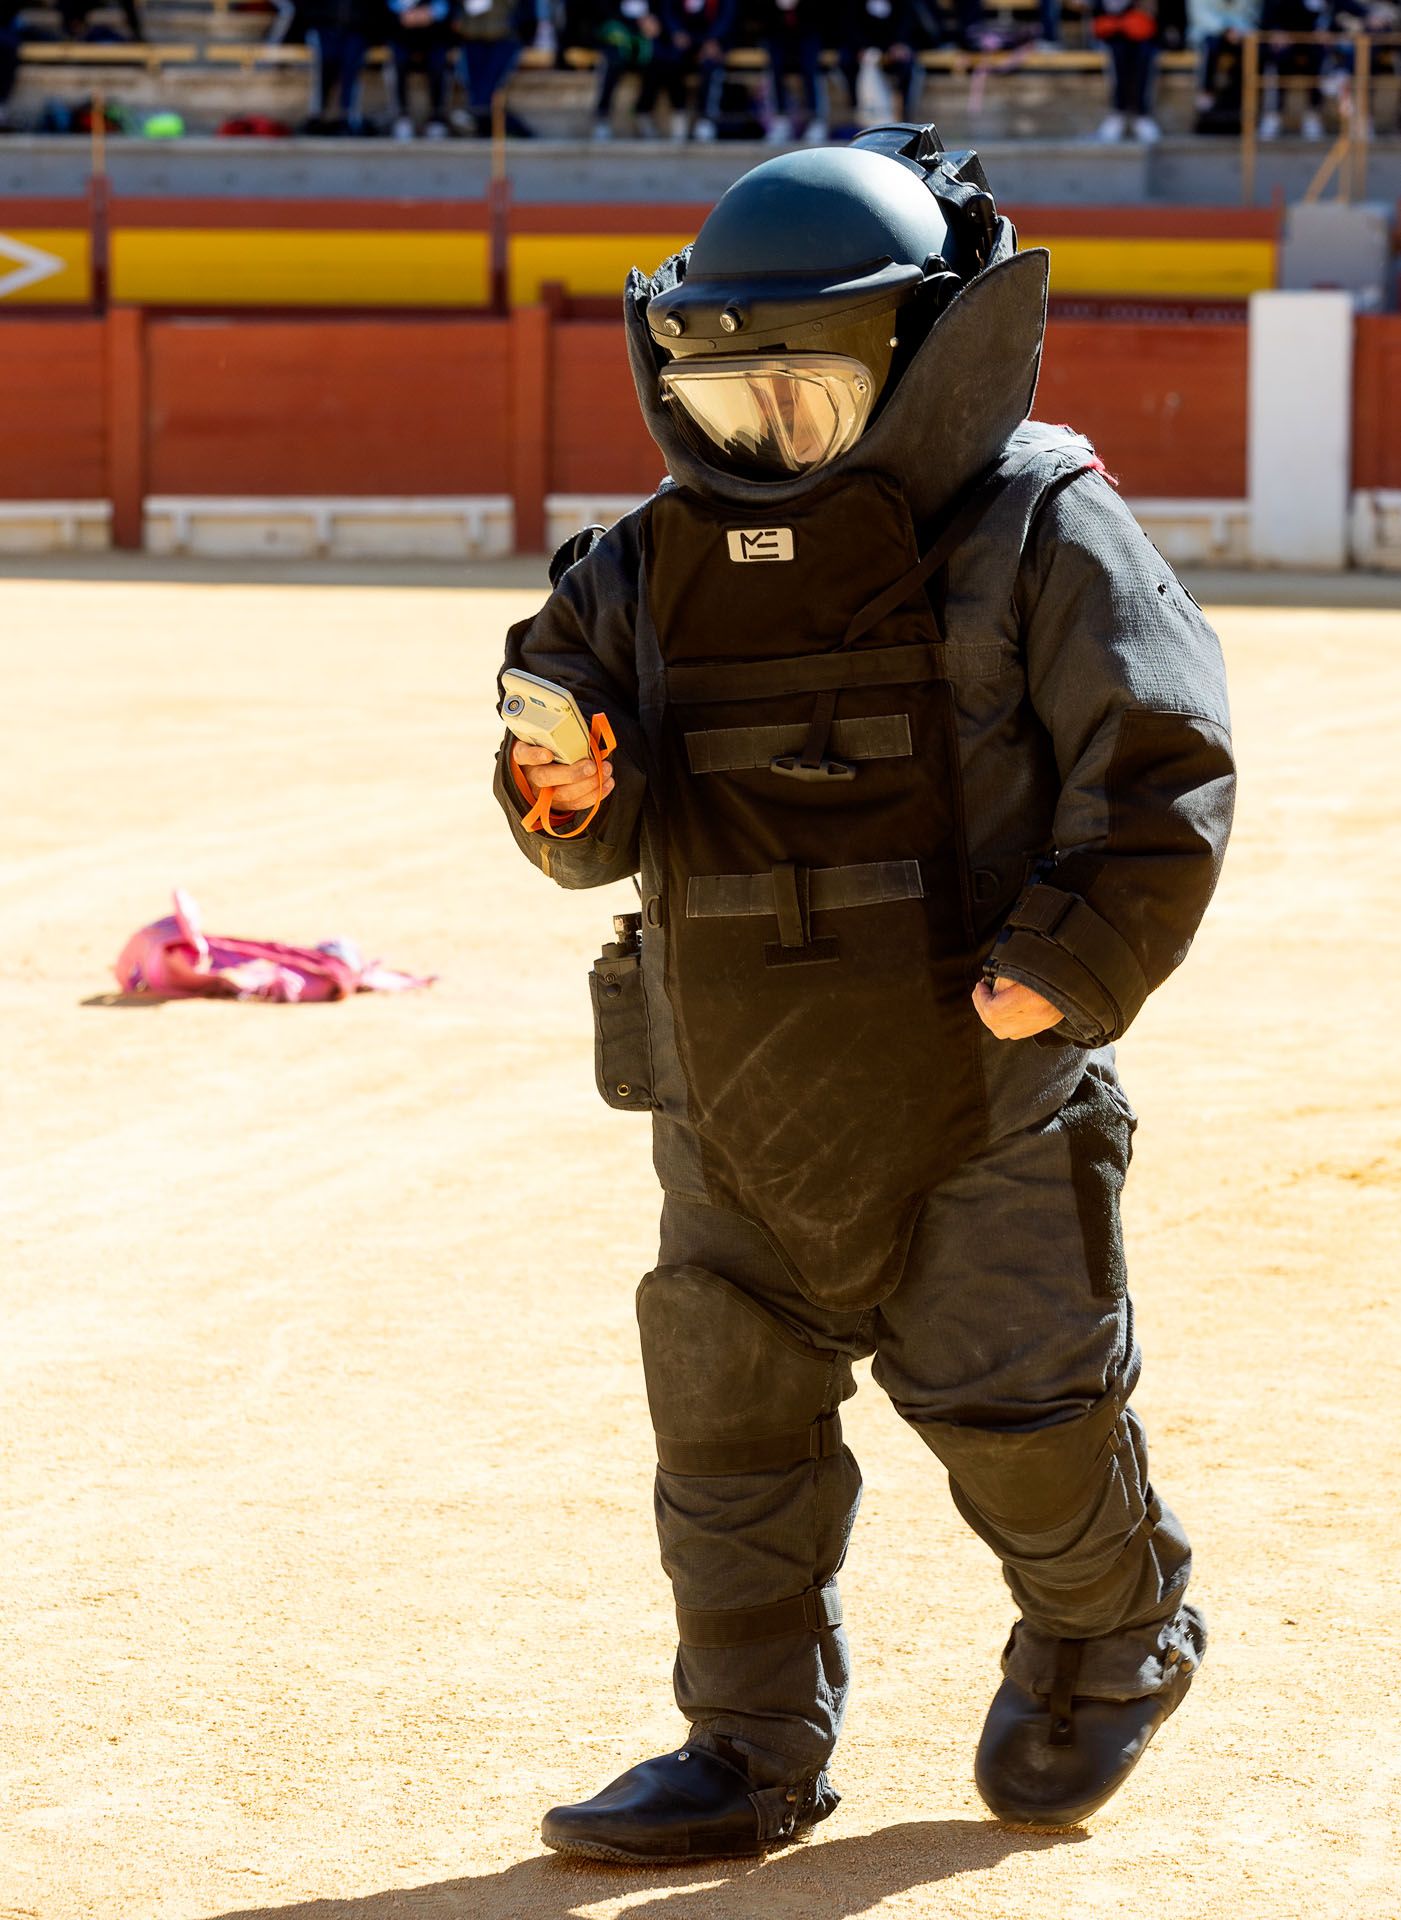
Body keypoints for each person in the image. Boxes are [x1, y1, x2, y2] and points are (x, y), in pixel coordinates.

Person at [495, 125, 1235, 1863]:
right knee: (727, 1430)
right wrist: (559, 788)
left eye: (805, 403)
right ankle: (745, 1747)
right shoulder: (640, 566)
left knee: (1023, 1417)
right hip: (728, 1091)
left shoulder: (1043, 527)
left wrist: (1061, 974)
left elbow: (1160, 776)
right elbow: (571, 809)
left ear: (921, 367)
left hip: (978, 1087)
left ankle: (1113, 1630)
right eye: (730, 403)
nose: (761, 443)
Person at [1092, 0, 1162, 140]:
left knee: (1146, 53)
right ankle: (1118, 113)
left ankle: (1142, 115)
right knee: (1117, 53)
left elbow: (1149, 18)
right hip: (1111, 36)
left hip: (1140, 34)